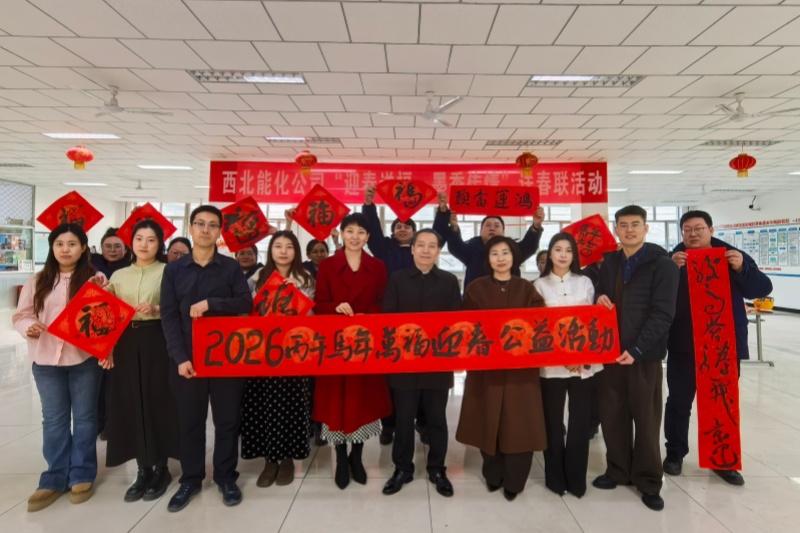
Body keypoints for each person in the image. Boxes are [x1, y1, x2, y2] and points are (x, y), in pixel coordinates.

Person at [663, 210, 773, 486]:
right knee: (678, 402)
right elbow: (655, 296)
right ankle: (675, 453)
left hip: (722, 346)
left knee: (720, 402)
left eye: (699, 228)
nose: (693, 234)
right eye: (687, 230)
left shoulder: (731, 256)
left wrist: (742, 269)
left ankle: (721, 459)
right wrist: (670, 271)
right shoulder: (672, 259)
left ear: (711, 230)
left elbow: (762, 288)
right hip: (684, 344)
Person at [160, 205, 253, 512]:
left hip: (225, 358)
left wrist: (212, 303)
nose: (205, 229)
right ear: (190, 228)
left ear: (219, 231)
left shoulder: (230, 267)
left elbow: (245, 303)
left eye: (212, 225)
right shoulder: (174, 270)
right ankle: (191, 479)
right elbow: (169, 316)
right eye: (200, 223)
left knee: (227, 421)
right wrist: (179, 357)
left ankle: (226, 477)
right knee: (190, 422)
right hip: (187, 359)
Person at [592, 205, 679, 512]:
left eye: (635, 224)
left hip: (644, 357)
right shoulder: (610, 262)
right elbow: (600, 293)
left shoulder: (662, 265)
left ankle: (649, 480)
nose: (629, 230)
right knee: (612, 416)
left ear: (645, 228)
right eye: (623, 224)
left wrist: (638, 348)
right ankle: (617, 470)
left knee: (646, 420)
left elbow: (663, 313)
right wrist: (599, 297)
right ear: (616, 229)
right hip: (611, 353)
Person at [13, 224, 105, 511]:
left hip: (84, 360)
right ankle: (54, 477)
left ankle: (82, 474)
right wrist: (29, 326)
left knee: (86, 418)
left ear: (83, 248)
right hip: (45, 360)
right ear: (52, 248)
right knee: (54, 420)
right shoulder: (38, 280)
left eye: (72, 244)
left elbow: (105, 317)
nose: (65, 249)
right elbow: (21, 315)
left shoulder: (96, 278)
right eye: (59, 244)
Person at [455, 236, 547, 501]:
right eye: (494, 253)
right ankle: (493, 475)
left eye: (505, 252)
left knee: (520, 421)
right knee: (488, 418)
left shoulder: (527, 288)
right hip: (486, 368)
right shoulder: (475, 288)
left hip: (521, 370)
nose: (500, 258)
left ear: (514, 257)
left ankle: (515, 481)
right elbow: (465, 326)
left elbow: (540, 323)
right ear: (488, 259)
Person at [100, 220, 180, 502]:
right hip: (125, 342)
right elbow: (105, 314)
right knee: (131, 402)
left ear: (160, 244)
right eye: (139, 239)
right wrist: (107, 347)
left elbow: (179, 306)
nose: (144, 244)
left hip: (158, 339)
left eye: (151, 240)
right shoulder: (119, 275)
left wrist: (156, 308)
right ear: (131, 243)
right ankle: (142, 470)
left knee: (158, 401)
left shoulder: (169, 271)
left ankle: (161, 468)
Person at [313, 213, 392, 489]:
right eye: (350, 231)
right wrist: (334, 307)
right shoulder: (327, 265)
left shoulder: (378, 266)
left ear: (368, 236)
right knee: (337, 400)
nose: (355, 237)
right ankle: (340, 457)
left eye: (361, 232)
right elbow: (319, 303)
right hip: (335, 344)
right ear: (342, 233)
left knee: (361, 400)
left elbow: (384, 303)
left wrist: (367, 315)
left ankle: (356, 456)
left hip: (365, 344)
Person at [382, 229, 461, 498]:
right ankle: (402, 468)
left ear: (439, 251)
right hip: (404, 363)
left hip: (437, 363)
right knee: (403, 419)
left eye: (432, 246)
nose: (426, 250)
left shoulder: (449, 281)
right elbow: (388, 318)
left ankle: (437, 468)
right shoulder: (397, 279)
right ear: (413, 248)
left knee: (437, 419)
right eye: (421, 245)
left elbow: (456, 322)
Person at [242, 231, 314, 488]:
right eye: (278, 246)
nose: (283, 251)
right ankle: (269, 460)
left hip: (294, 352)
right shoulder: (257, 277)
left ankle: (287, 459)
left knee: (292, 404)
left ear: (296, 251)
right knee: (263, 404)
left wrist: (297, 294)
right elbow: (245, 309)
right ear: (270, 250)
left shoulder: (306, 278)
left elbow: (313, 316)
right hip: (262, 352)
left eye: (289, 247)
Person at [533, 233, 602, 498]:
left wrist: (579, 356)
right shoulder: (538, 286)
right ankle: (555, 478)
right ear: (549, 254)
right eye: (558, 249)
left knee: (580, 422)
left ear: (574, 255)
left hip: (583, 363)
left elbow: (592, 321)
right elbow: (539, 327)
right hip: (551, 364)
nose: (563, 255)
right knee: (552, 421)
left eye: (568, 250)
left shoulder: (585, 282)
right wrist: (562, 355)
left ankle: (576, 478)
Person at [363, 184, 418, 446]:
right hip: (389, 317)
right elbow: (373, 230)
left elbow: (440, 234)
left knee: (418, 372)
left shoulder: (421, 249)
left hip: (418, 319)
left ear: (415, 233)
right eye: (398, 226)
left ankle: (421, 422)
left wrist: (443, 213)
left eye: (407, 226)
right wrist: (369, 205)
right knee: (389, 374)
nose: (402, 229)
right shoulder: (384, 248)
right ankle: (389, 424)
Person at [433, 191, 545, 290]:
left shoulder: (513, 250)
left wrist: (536, 226)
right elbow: (455, 247)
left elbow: (529, 246)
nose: (492, 228)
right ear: (481, 231)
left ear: (503, 232)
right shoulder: (472, 249)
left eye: (497, 225)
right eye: (487, 225)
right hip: (476, 303)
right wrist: (453, 227)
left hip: (509, 302)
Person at [91, 226, 133, 440]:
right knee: (96, 382)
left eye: (118, 246)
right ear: (101, 247)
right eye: (108, 246)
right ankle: (98, 422)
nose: (113, 250)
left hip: (122, 332)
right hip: (95, 330)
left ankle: (111, 424)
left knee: (115, 382)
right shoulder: (91, 267)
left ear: (126, 249)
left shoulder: (130, 269)